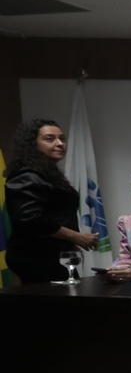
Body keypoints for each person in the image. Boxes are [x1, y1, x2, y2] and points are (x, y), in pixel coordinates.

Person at [2, 118, 99, 283]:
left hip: (55, 256)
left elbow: (56, 214)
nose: (60, 143)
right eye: (50, 139)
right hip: (36, 257)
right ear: (32, 144)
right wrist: (75, 236)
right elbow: (31, 220)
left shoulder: (47, 174)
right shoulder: (26, 176)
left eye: (62, 138)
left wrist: (69, 243)